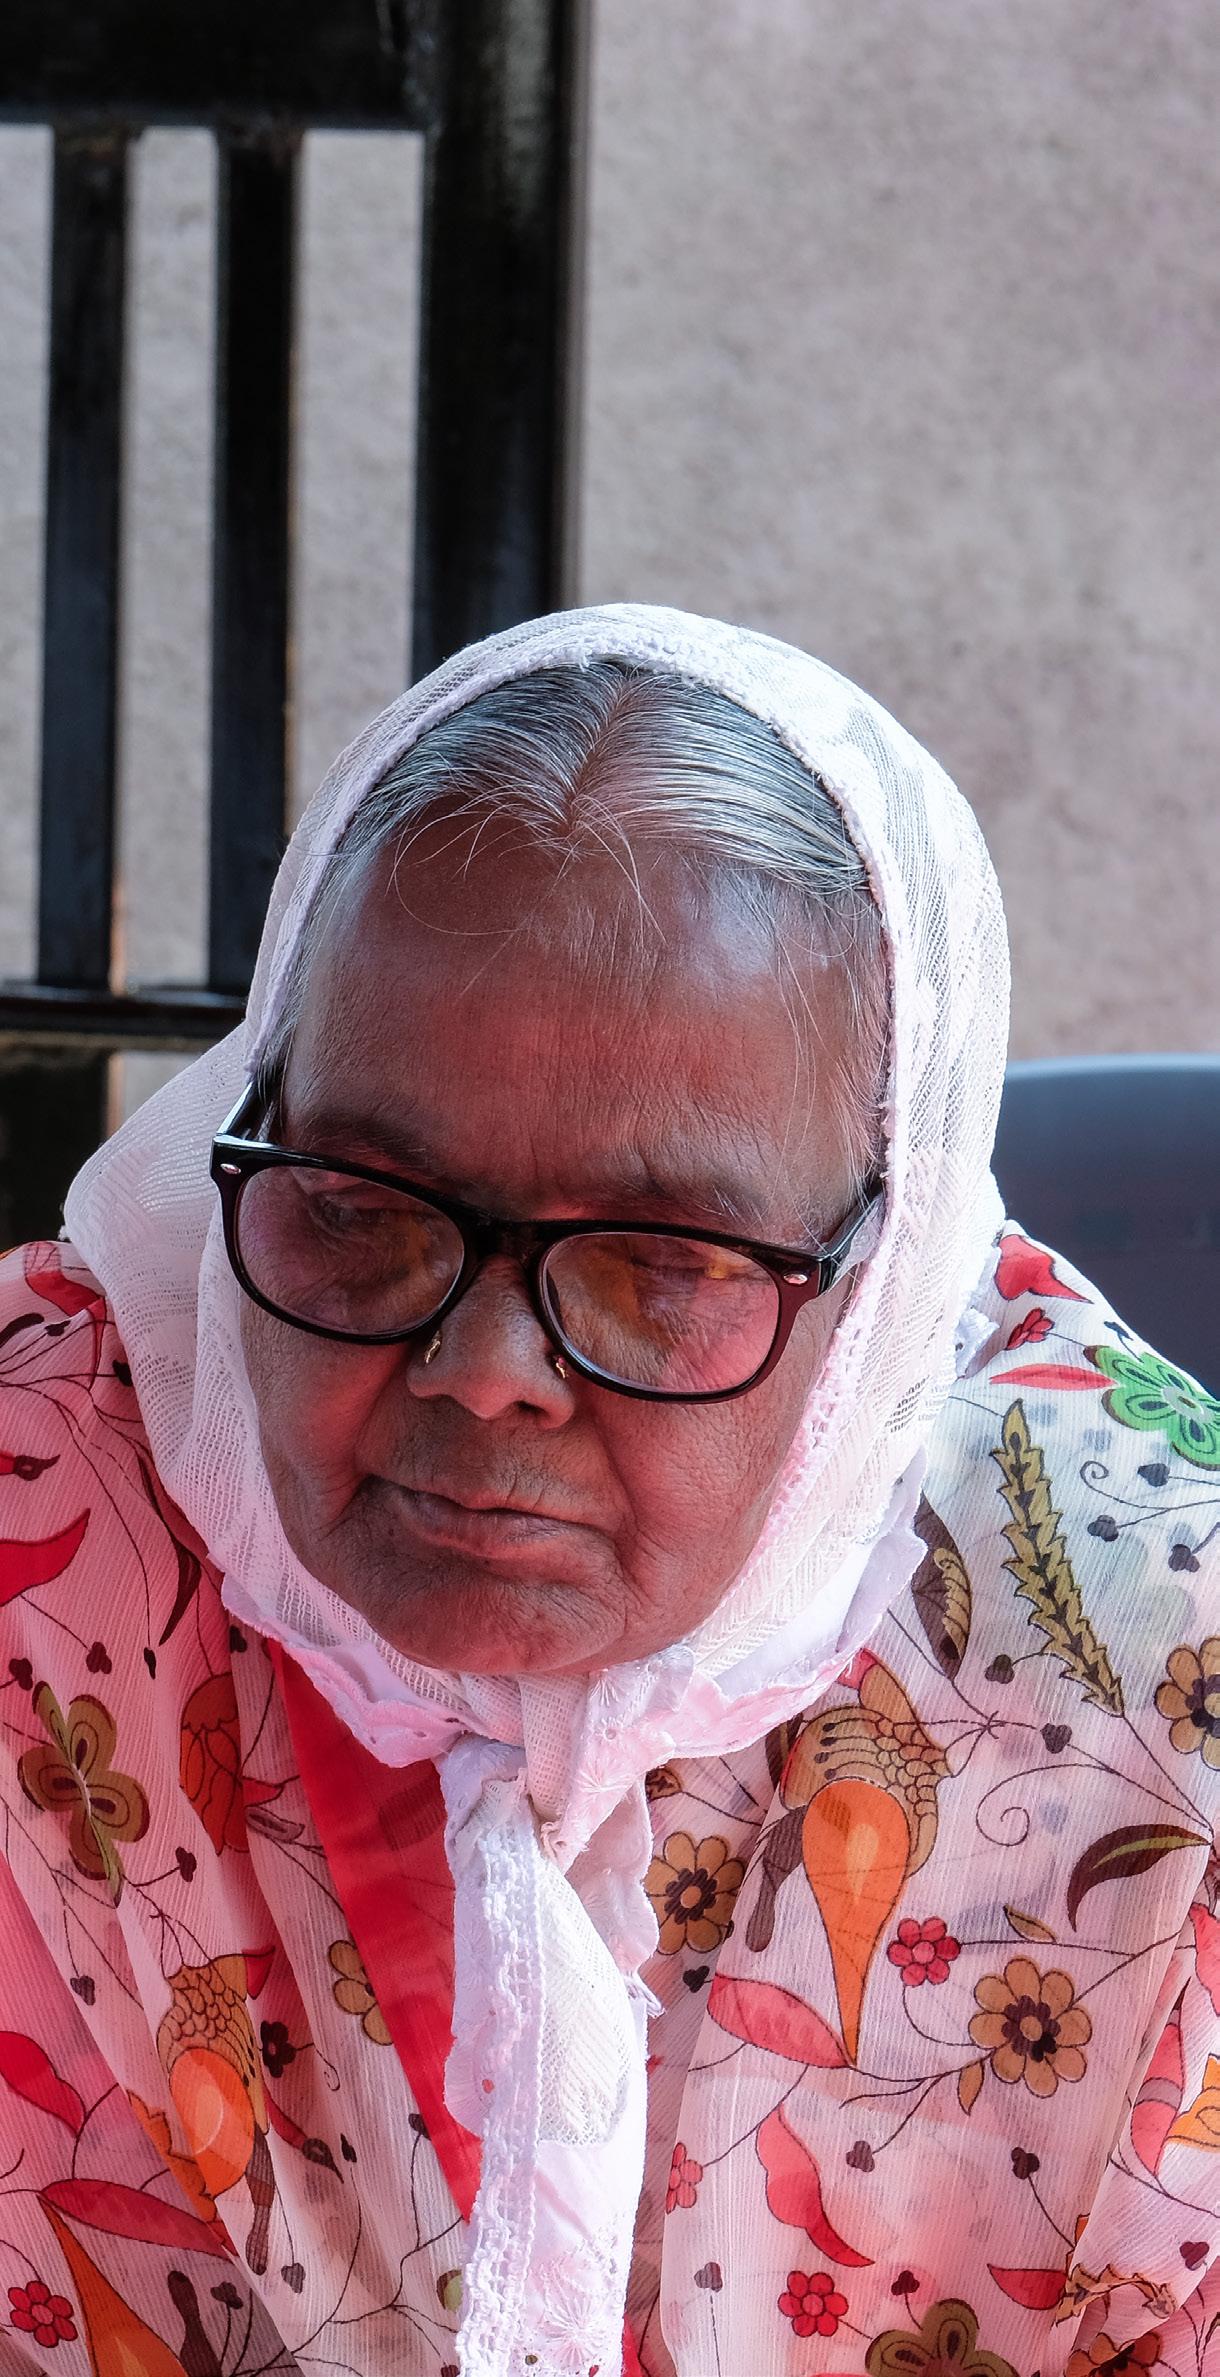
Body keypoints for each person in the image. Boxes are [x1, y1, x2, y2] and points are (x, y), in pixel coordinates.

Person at [0, 605, 1216, 2377]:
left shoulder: (1156, 1685)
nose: (485, 1365)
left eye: (663, 1257)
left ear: (877, 1283)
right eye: (357, 1205)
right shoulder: (45, 1519)